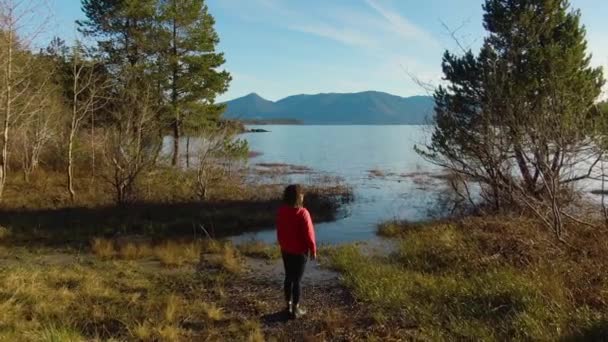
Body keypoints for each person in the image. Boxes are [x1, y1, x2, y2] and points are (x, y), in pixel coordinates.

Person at [276, 184, 317, 319]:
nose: (303, 196)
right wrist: (313, 250)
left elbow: (279, 231)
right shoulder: (303, 213)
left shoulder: (281, 211)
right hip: (300, 252)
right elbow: (309, 234)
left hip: (286, 250)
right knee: (297, 280)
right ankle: (296, 309)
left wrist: (282, 244)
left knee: (288, 277)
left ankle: (288, 306)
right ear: (299, 197)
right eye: (302, 194)